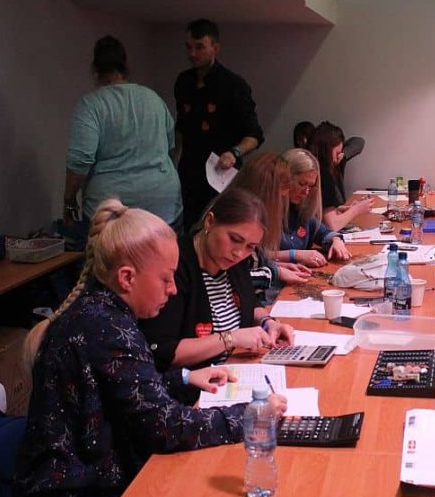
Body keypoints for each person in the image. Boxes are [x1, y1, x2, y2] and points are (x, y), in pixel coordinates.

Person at [14, 199, 286, 497]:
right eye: (166, 278)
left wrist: (184, 378)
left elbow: (125, 391)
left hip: (87, 487)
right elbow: (164, 427)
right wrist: (251, 415)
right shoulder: (108, 330)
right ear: (127, 278)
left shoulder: (103, 312)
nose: (173, 290)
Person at [139, 187, 294, 375]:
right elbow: (162, 350)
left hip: (235, 370)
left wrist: (268, 323)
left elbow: (250, 304)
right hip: (193, 383)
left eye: (250, 247)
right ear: (210, 222)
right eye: (234, 239)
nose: (239, 253)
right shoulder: (176, 267)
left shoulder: (234, 263)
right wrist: (230, 339)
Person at [63, 36, 181, 234]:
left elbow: (80, 160)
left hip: (111, 210)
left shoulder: (91, 105)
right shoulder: (153, 99)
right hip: (162, 206)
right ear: (125, 66)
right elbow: (171, 145)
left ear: (95, 69)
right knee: (164, 254)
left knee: (111, 255)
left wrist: (69, 200)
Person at [174, 18, 264, 231]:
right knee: (188, 229)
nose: (192, 53)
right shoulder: (183, 82)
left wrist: (234, 152)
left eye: (199, 47)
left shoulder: (233, 85)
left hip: (220, 175)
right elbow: (181, 129)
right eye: (188, 47)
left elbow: (254, 135)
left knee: (218, 229)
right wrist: (172, 162)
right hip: (189, 173)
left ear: (215, 48)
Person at [227, 151, 313, 301]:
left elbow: (256, 262)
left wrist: (276, 267)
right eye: (280, 197)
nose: (281, 204)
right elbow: (233, 280)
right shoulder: (238, 219)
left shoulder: (253, 216)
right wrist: (276, 272)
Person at [276, 148, 352, 268]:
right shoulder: (264, 211)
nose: (306, 192)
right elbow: (258, 256)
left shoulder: (300, 211)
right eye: (302, 184)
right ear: (284, 180)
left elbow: (324, 232)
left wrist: (336, 240)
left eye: (310, 186)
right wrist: (294, 255)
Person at [308, 121, 374, 230]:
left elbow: (318, 212)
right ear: (328, 148)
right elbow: (333, 225)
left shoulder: (313, 164)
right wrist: (357, 210)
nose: (336, 159)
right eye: (337, 153)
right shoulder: (322, 174)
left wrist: (338, 210)